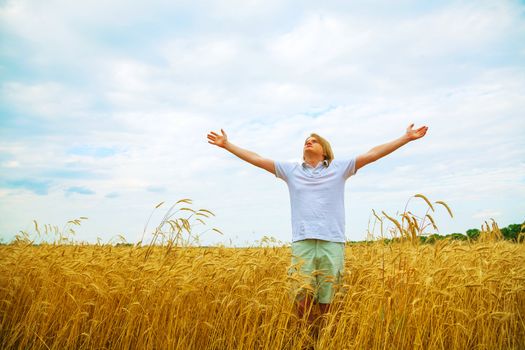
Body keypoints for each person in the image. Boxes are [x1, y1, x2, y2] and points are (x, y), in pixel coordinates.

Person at [206, 123, 428, 323]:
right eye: (306, 141)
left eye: (313, 141)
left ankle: (326, 338)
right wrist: (227, 145)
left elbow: (372, 154)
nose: (308, 142)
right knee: (301, 300)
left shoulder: (339, 168)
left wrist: (405, 138)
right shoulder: (290, 171)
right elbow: (257, 158)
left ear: (324, 150)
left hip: (332, 241)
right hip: (302, 242)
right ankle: (305, 337)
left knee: (328, 301)